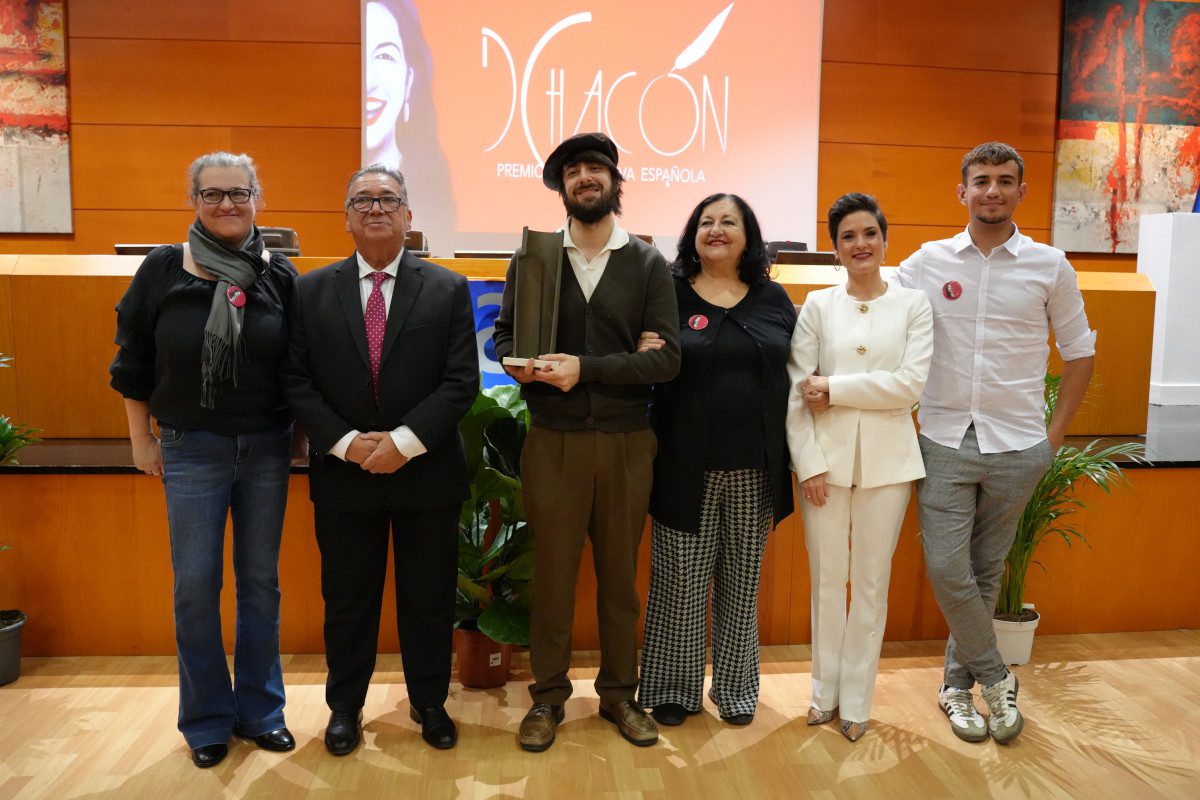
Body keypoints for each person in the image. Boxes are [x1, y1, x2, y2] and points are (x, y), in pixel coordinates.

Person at [895, 142, 1096, 744]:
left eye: (1005, 181)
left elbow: (1081, 351)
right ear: (962, 191)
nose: (992, 190)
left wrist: (1053, 438)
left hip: (1018, 444)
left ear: (1020, 191)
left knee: (983, 572)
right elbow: (873, 304)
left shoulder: (1050, 265)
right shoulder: (928, 261)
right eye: (981, 180)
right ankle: (997, 678)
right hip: (944, 439)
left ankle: (956, 690)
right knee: (946, 565)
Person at [492, 131, 680, 752]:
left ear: (615, 182)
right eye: (573, 171)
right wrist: (517, 361)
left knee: (620, 579)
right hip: (554, 440)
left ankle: (620, 696)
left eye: (596, 169)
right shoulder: (534, 258)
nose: (586, 178)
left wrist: (587, 368)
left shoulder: (649, 263)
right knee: (551, 578)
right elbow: (504, 336)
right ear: (561, 187)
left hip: (628, 443)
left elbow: (665, 362)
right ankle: (546, 700)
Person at [109, 152, 298, 768]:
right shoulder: (164, 268)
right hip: (191, 449)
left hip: (266, 449)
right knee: (195, 588)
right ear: (193, 199)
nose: (226, 204)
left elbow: (299, 367)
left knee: (260, 586)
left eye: (238, 193)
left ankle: (262, 713)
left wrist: (299, 440)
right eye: (212, 194)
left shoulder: (279, 276)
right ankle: (208, 720)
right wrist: (142, 439)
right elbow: (131, 362)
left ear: (256, 198)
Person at [282, 164, 478, 754]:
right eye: (362, 200)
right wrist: (345, 443)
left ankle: (429, 703)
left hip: (427, 473)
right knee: (348, 601)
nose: (375, 208)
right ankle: (345, 709)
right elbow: (295, 381)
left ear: (408, 216)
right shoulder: (310, 290)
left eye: (388, 199)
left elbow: (459, 382)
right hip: (345, 477)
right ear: (345, 216)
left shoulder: (446, 287)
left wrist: (403, 442)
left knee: (428, 597)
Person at [633, 193, 796, 728]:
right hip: (683, 465)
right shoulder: (668, 294)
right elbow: (647, 359)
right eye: (707, 221)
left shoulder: (772, 298)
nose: (717, 229)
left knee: (741, 585)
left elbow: (794, 370)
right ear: (692, 235)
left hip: (755, 466)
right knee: (679, 581)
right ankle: (673, 689)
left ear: (749, 235)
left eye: (729, 221)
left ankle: (735, 689)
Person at [788, 193, 933, 741]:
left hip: (890, 467)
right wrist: (808, 463)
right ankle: (823, 694)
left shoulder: (914, 304)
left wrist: (835, 387)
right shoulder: (817, 305)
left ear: (884, 238)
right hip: (823, 464)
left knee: (871, 586)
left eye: (869, 233)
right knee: (827, 584)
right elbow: (797, 392)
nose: (860, 244)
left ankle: (857, 702)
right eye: (848, 236)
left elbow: (908, 386)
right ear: (835, 248)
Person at [363, 0, 456, 253]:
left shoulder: (439, 188)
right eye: (361, 201)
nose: (370, 82)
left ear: (408, 81)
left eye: (384, 55)